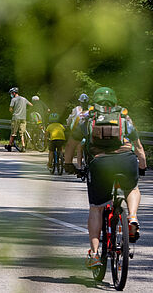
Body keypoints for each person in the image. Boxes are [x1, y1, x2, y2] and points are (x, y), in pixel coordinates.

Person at [63, 87, 147, 268]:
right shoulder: (124, 118)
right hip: (126, 160)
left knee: (96, 208)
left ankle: (94, 254)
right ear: (115, 101)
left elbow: (71, 143)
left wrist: (69, 164)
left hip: (100, 164)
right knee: (132, 188)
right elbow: (138, 146)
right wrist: (142, 165)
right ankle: (132, 217)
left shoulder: (87, 118)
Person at [5, 87, 32, 152]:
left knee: (13, 133)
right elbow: (31, 105)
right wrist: (26, 111)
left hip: (16, 118)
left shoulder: (13, 99)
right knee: (22, 133)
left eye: (11, 93)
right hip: (23, 118)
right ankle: (23, 146)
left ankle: (9, 146)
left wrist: (13, 112)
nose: (11, 94)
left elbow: (10, 109)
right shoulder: (24, 98)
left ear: (14, 93)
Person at [66, 93, 90, 167]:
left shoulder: (76, 109)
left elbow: (70, 119)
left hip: (79, 133)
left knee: (78, 148)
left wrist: (68, 125)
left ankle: (78, 166)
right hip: (89, 132)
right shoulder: (92, 108)